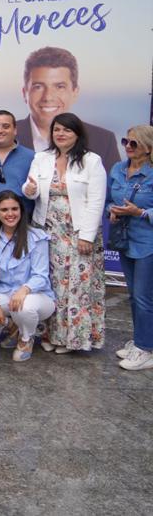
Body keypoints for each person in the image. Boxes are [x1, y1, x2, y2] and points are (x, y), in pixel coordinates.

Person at [23, 112, 106, 353]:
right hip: (47, 231)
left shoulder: (92, 161)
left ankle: (72, 340)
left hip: (77, 233)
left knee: (75, 287)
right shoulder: (42, 157)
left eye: (66, 130)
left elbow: (96, 200)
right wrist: (29, 189)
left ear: (77, 134)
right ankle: (49, 334)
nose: (60, 134)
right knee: (50, 283)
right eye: (57, 130)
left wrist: (86, 236)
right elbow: (32, 191)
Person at [13, 46, 120, 173]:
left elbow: (114, 191)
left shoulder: (104, 141)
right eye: (38, 87)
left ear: (75, 92)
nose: (48, 97)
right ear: (24, 93)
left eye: (59, 87)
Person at [0, 191, 56, 363]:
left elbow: (41, 275)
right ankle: (11, 326)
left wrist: (24, 290)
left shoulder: (37, 237)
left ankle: (26, 338)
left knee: (23, 306)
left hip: (38, 296)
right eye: (4, 209)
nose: (10, 214)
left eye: (14, 209)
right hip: (5, 292)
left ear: (21, 211)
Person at [107, 125, 153, 370]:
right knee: (134, 295)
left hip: (148, 241)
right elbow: (108, 201)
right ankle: (141, 341)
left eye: (133, 143)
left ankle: (147, 349)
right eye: (126, 141)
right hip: (125, 240)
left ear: (148, 147)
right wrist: (112, 212)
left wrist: (141, 212)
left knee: (145, 298)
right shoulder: (117, 169)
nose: (127, 146)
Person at [0, 110, 36, 205]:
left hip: (22, 217)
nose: (0, 130)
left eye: (6, 126)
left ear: (15, 130)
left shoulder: (32, 157)